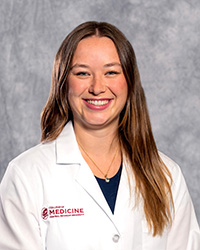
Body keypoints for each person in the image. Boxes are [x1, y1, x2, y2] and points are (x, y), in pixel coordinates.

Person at [0, 21, 199, 250]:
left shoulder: (167, 176)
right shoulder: (26, 175)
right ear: (64, 83)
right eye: (83, 73)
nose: (97, 87)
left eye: (111, 72)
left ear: (129, 82)